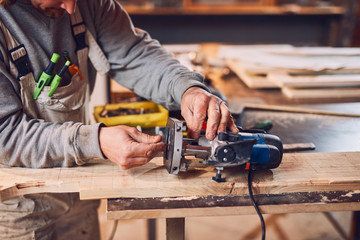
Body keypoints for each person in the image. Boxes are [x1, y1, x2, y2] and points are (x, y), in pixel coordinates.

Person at [0, 0, 238, 238]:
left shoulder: (89, 5)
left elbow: (135, 54)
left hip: (78, 190)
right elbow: (5, 134)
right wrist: (97, 140)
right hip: (21, 209)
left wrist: (187, 89)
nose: (72, 9)